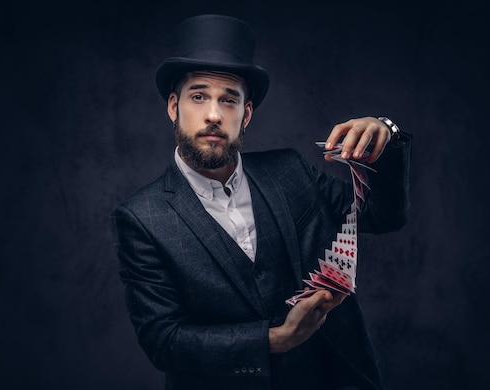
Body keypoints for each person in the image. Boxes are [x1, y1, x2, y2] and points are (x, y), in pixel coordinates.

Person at [110, 14, 411, 390]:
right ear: (174, 107)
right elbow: (165, 341)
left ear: (246, 114)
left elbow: (382, 216)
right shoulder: (141, 218)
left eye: (229, 99)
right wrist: (276, 340)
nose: (214, 114)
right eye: (199, 96)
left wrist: (387, 136)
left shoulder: (291, 170)